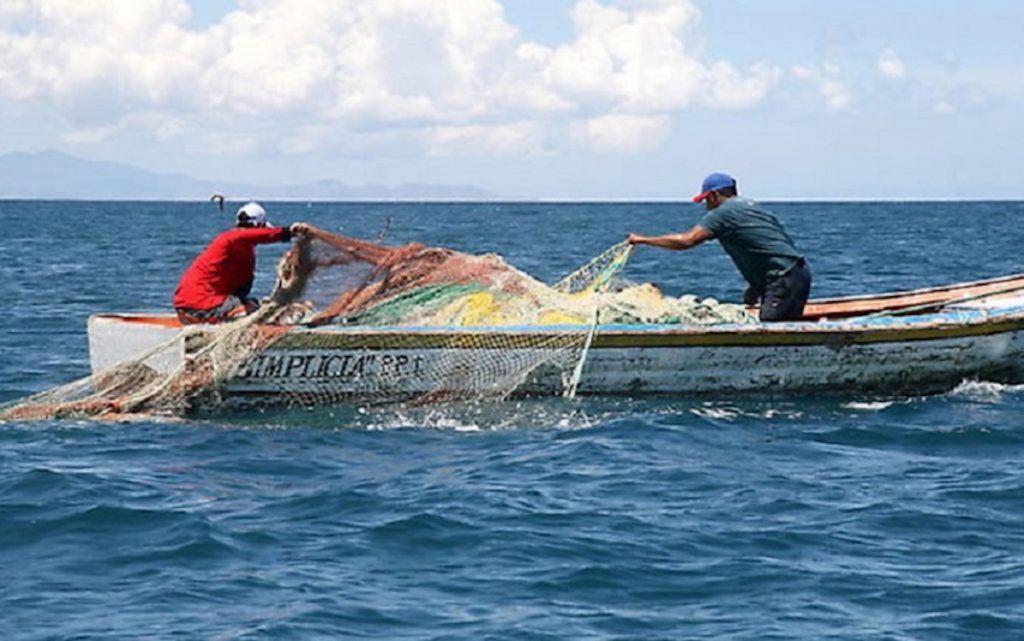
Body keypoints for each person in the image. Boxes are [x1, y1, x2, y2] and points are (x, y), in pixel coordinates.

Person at [628, 173, 811, 322]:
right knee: (783, 325)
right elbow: (768, 247)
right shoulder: (753, 207)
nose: (706, 206)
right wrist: (756, 286)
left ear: (715, 195)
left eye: (706, 200)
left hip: (782, 279)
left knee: (771, 333)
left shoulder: (723, 213)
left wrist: (643, 240)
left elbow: (687, 240)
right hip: (797, 273)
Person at [173, 202, 312, 324]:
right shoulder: (232, 239)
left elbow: (241, 289)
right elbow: (254, 235)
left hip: (195, 305)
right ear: (258, 226)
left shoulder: (242, 250)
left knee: (253, 305)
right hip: (196, 306)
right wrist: (288, 233)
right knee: (250, 311)